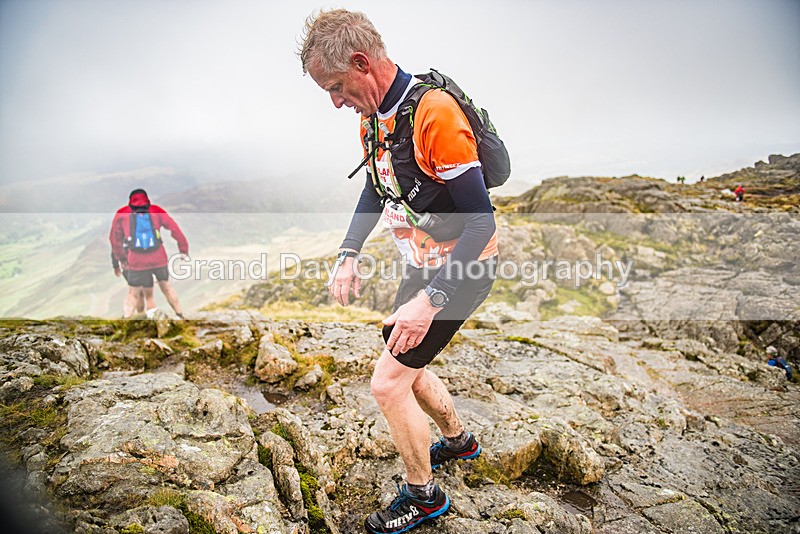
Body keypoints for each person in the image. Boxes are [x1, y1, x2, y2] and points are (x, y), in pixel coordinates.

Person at [300, 9, 499, 532]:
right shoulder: (373, 118)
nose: (335, 101)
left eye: (337, 85)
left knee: (388, 383)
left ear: (362, 63)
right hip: (423, 261)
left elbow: (480, 222)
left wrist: (430, 299)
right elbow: (377, 186)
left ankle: (424, 496)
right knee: (400, 348)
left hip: (466, 267)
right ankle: (459, 441)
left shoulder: (434, 115)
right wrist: (349, 252)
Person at [109, 189, 189, 319]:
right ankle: (180, 315)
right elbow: (174, 228)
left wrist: (122, 259)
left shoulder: (122, 214)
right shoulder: (156, 210)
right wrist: (183, 248)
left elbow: (114, 240)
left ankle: (125, 320)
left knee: (133, 294)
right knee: (167, 288)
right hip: (159, 258)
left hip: (136, 260)